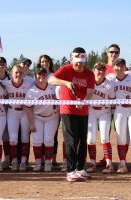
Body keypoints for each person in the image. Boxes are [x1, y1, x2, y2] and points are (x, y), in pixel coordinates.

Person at [48, 47, 95, 182]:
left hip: (83, 110)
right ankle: (70, 170)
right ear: (72, 60)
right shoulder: (66, 69)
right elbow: (51, 80)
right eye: (76, 62)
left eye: (82, 62)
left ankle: (80, 168)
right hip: (68, 109)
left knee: (82, 140)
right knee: (71, 140)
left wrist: (84, 102)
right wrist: (65, 82)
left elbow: (90, 92)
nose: (79, 65)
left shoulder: (89, 73)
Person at [25, 67, 59, 172]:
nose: (42, 76)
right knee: (37, 140)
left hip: (52, 117)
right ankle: (38, 162)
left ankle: (48, 162)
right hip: (37, 117)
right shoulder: (31, 91)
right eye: (39, 74)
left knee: (49, 140)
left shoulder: (53, 88)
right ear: (35, 76)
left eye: (44, 74)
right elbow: (28, 108)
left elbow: (60, 102)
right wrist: (31, 123)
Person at [86, 62, 115, 174]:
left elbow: (112, 101)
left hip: (104, 112)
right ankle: (92, 163)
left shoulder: (109, 85)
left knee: (104, 138)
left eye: (103, 70)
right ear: (94, 71)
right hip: (92, 111)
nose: (101, 72)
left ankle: (109, 164)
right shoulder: (89, 82)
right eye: (98, 69)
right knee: (90, 139)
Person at [3, 65, 32, 171]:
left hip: (24, 112)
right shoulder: (6, 84)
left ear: (23, 73)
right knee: (13, 139)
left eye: (20, 72)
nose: (18, 74)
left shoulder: (29, 84)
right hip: (12, 112)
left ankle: (23, 162)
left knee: (25, 138)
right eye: (16, 72)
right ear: (11, 74)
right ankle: (14, 161)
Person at [0, 57, 11, 169]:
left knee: (6, 136)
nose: (0, 66)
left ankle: (7, 159)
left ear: (6, 65)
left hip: (7, 110)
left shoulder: (10, 78)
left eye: (2, 64)